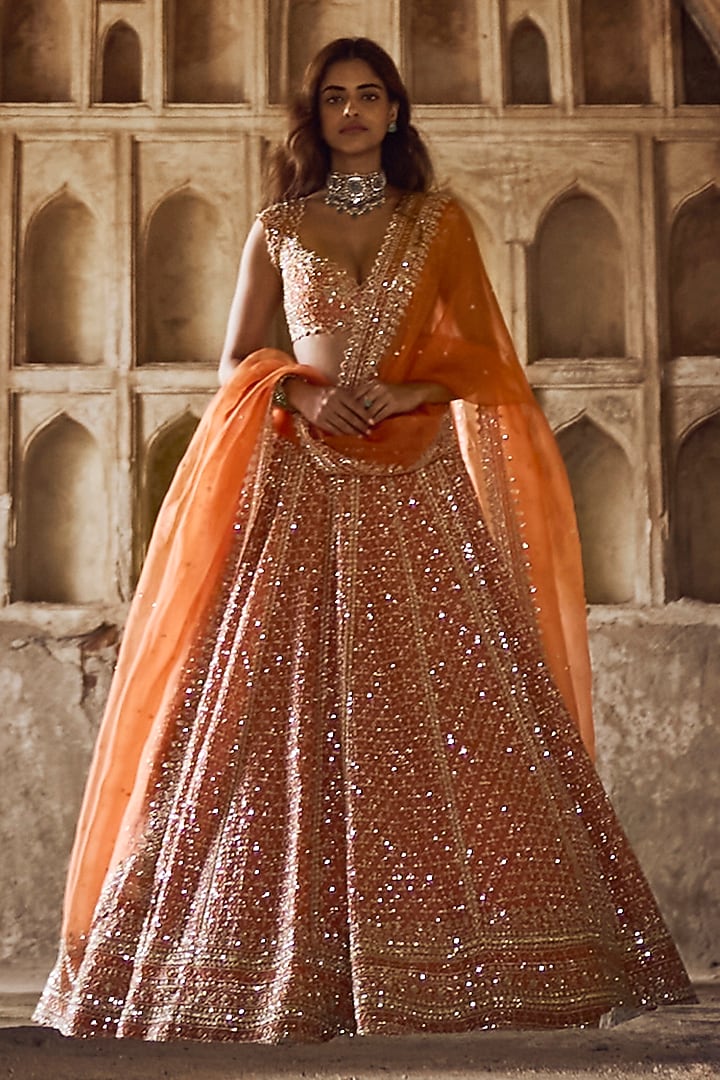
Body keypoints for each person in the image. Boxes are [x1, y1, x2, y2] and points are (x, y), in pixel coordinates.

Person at [34, 37, 695, 1043]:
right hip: (301, 481)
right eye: (336, 96)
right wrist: (301, 392)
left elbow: (486, 360)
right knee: (270, 706)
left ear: (395, 112)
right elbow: (237, 358)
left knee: (444, 704)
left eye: (370, 95)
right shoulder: (279, 226)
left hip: (416, 484)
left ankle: (470, 961)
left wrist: (408, 388)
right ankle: (270, 965)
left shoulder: (437, 223)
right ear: (316, 115)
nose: (352, 111)